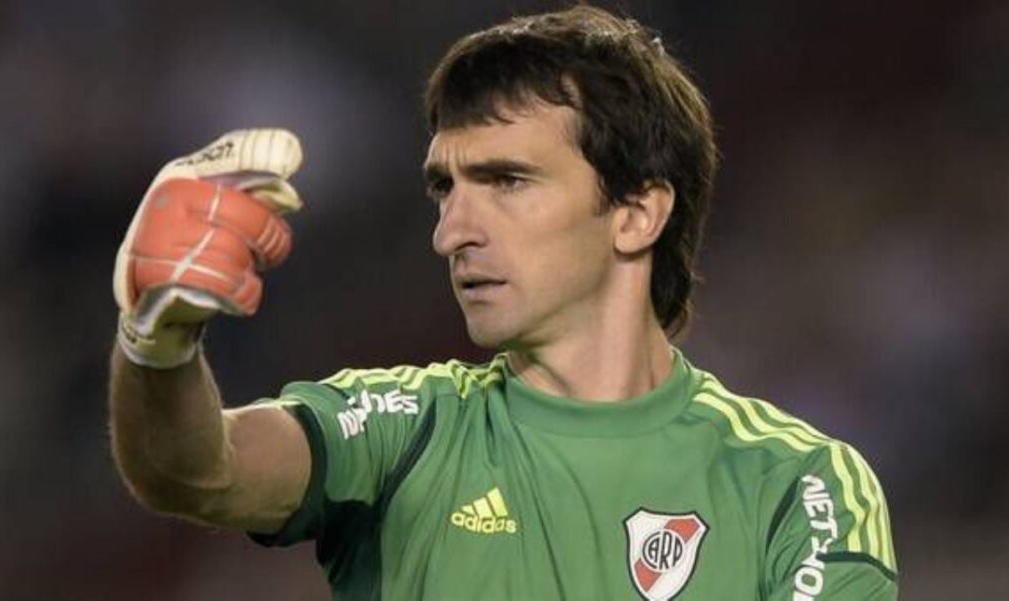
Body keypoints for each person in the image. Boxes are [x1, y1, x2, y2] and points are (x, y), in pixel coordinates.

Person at [109, 6, 898, 600]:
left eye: (507, 181)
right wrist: (157, 341)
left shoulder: (796, 486)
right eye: (444, 189)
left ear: (636, 212)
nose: (451, 232)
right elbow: (195, 469)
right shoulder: (405, 433)